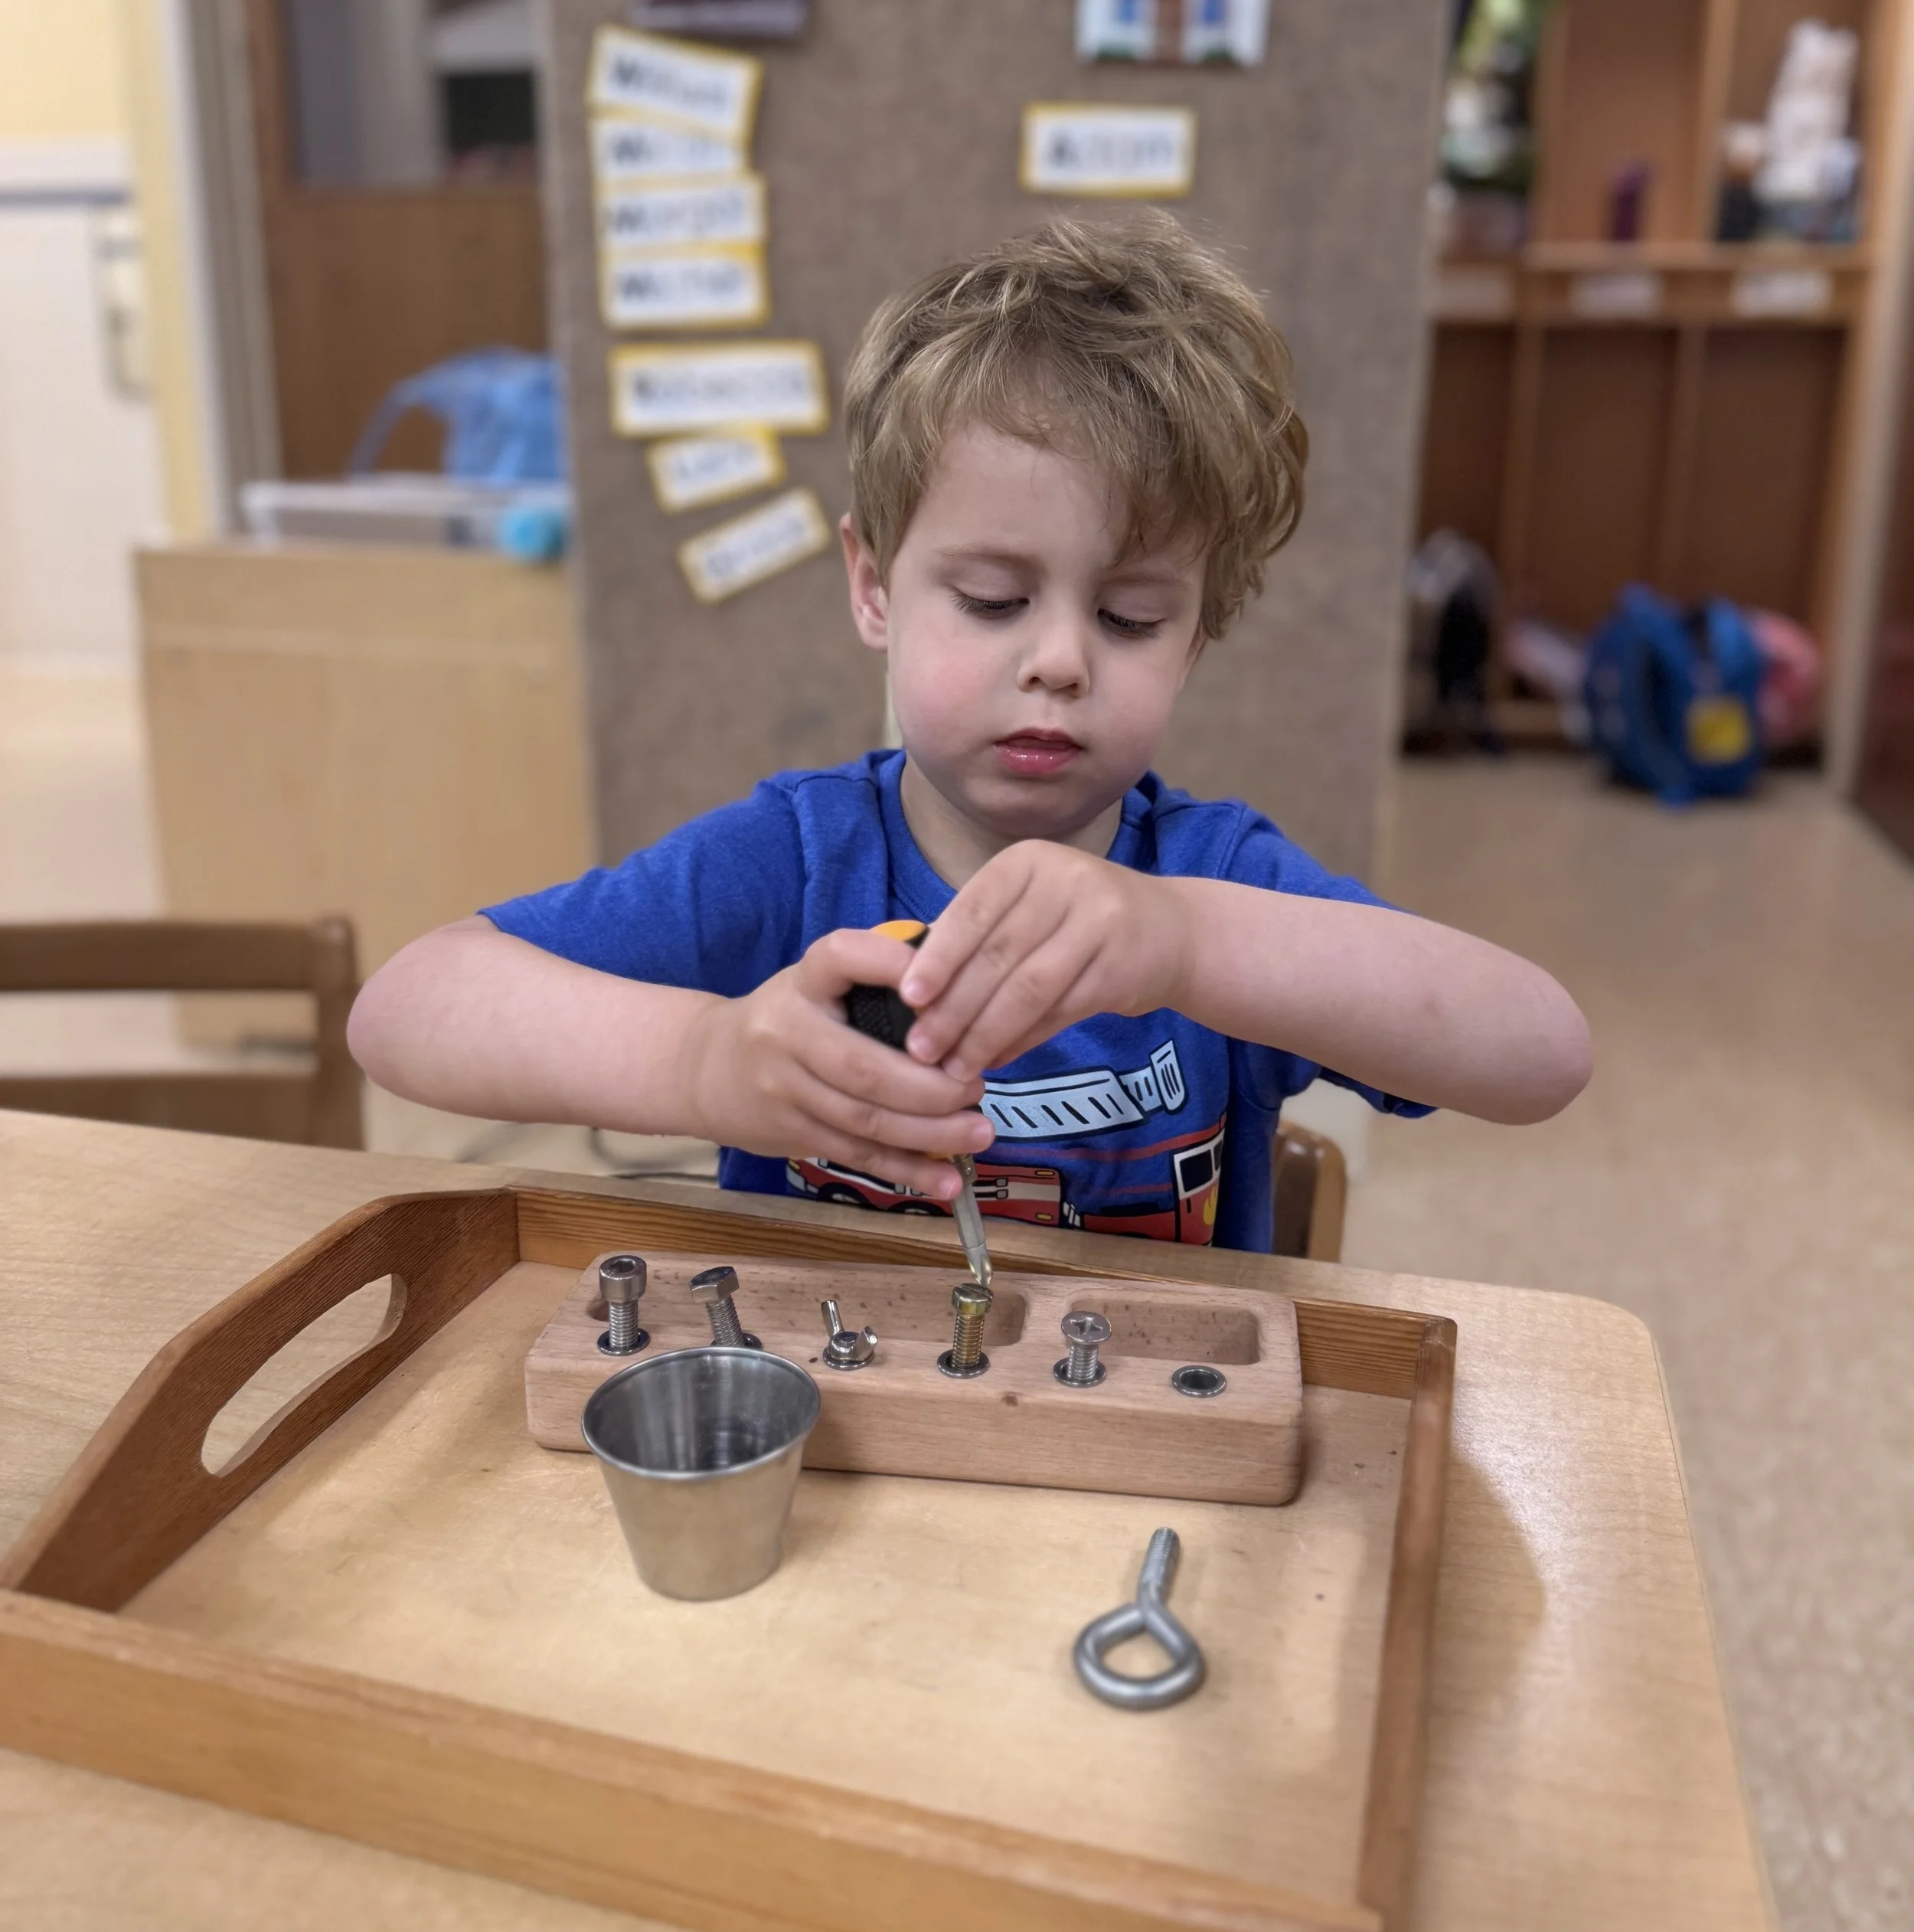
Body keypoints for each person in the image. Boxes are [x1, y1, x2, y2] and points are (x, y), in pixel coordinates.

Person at [349, 215, 1589, 1250]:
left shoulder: (1212, 882)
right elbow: (406, 1008)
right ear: (875, 587)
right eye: (992, 601)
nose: (1058, 658)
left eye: (1131, 615)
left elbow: (1541, 1053)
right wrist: (704, 1062)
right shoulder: (795, 860)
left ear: (1200, 630)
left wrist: (1185, 942)